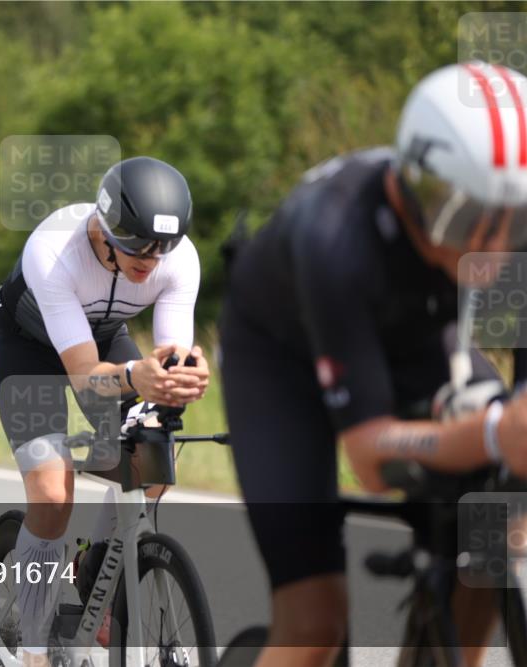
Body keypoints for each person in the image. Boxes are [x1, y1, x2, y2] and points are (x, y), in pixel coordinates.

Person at [220, 62, 527, 667]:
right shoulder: (335, 236)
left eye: (515, 224)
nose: (493, 251)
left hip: (412, 338)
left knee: (495, 527)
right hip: (282, 364)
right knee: (315, 620)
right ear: (419, 190)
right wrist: (493, 432)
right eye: (468, 221)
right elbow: (370, 462)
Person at [0, 156, 211, 665]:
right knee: (51, 490)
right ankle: (36, 650)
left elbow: (170, 354)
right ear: (108, 225)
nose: (151, 260)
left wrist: (182, 377)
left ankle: (95, 576)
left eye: (163, 249)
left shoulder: (179, 259)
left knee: (154, 463)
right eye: (138, 245)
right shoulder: (54, 250)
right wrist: (138, 377)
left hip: (104, 341)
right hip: (30, 352)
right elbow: (85, 374)